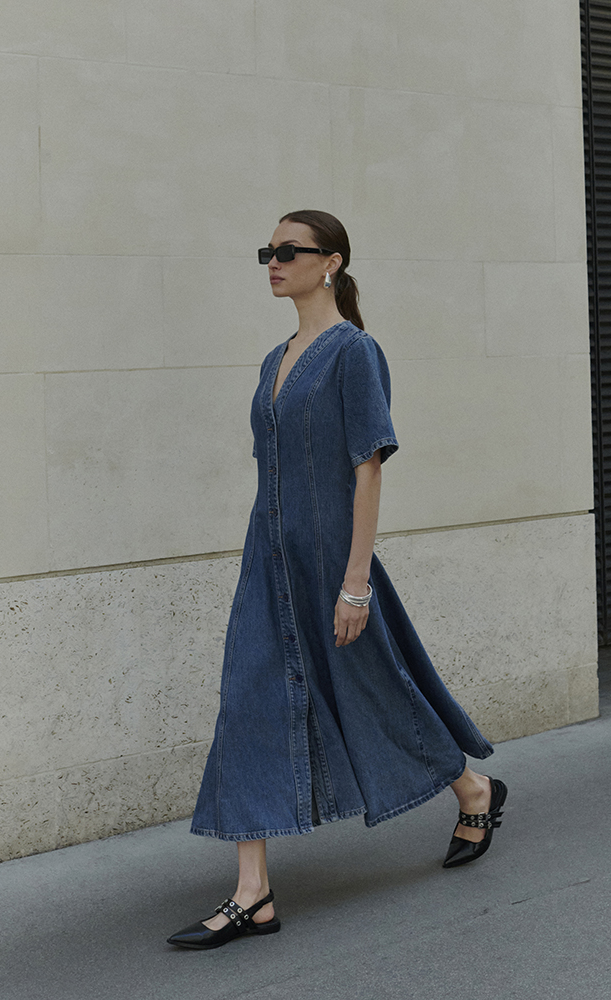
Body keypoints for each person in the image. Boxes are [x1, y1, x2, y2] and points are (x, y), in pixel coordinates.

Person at [167, 210, 507, 950]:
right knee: (247, 703)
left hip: (332, 563)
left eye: (289, 251)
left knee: (377, 688)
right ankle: (252, 894)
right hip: (270, 560)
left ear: (332, 262)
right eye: (268, 251)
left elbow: (368, 467)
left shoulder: (355, 352)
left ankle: (473, 788)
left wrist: (355, 582)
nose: (274, 261)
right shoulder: (274, 358)